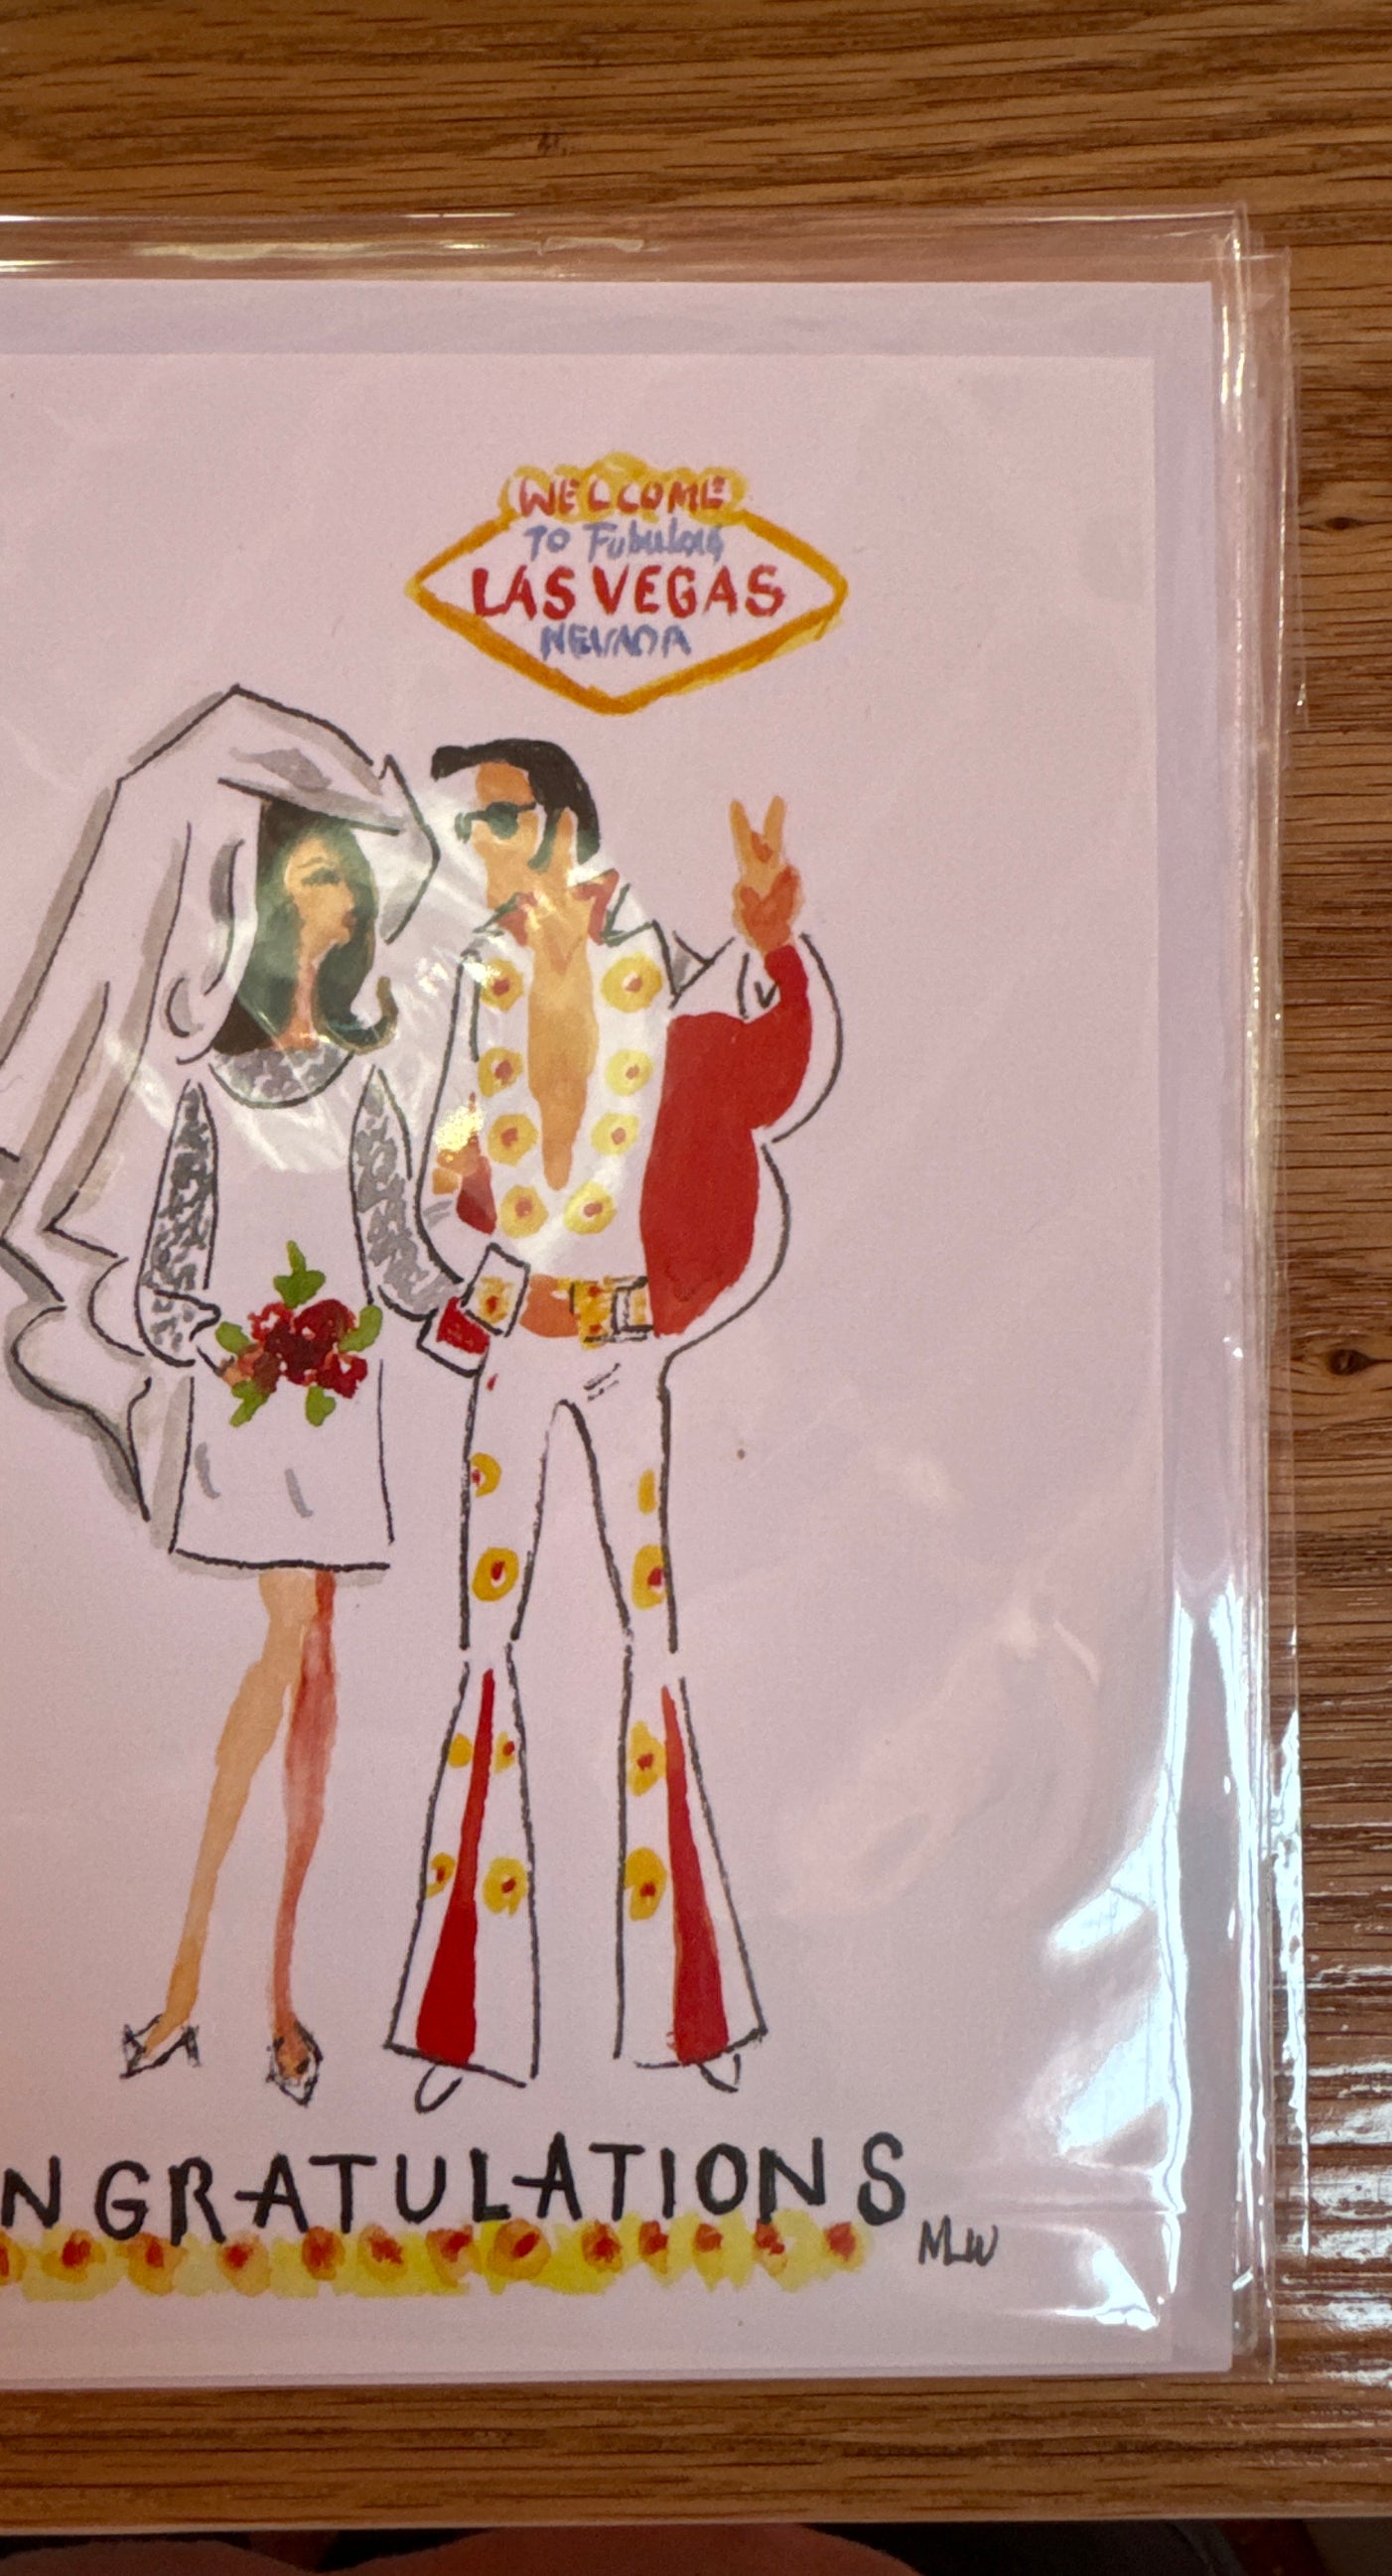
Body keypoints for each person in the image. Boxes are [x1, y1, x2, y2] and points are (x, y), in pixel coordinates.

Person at [0, 690, 448, 2105]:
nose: (342, 907)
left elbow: (403, 1263)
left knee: (317, 1662)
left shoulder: (368, 1088)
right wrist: (241, 1346)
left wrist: (495, 1270)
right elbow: (168, 1283)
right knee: (291, 1643)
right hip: (251, 1409)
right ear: (273, 903)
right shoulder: (209, 1088)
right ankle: (195, 1978)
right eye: (321, 880)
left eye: (349, 889)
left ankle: (275, 1994)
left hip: (340, 1406)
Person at [387, 738, 841, 2110]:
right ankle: (463, 2020)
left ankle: (693, 2014)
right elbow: (455, 1165)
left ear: (558, 825)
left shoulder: (667, 973)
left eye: (497, 820)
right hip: (518, 1346)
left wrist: (775, 943)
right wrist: (465, 1202)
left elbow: (774, 1079)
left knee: (651, 1637)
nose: (479, 845)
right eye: (473, 826)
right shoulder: (480, 982)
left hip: (627, 1347)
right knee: (488, 1642)